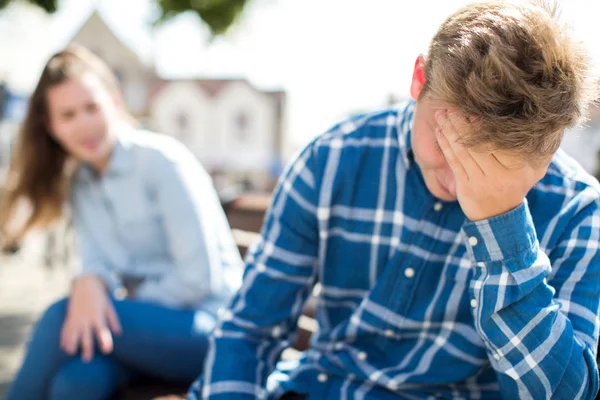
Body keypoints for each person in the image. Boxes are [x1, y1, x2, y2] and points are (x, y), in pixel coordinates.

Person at [187, 1, 600, 399]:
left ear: (546, 151)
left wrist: (505, 230)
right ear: (419, 78)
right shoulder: (333, 159)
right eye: (448, 143)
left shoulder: (575, 209)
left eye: (491, 167)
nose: (462, 185)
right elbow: (249, 331)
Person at [1, 45, 242, 400]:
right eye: (68, 115)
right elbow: (95, 261)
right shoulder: (80, 183)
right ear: (51, 127)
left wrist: (114, 303)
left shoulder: (163, 162)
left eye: (91, 108)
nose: (85, 124)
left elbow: (198, 279)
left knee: (60, 316)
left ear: (114, 102)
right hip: (140, 336)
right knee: (76, 382)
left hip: (211, 331)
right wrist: (89, 281)